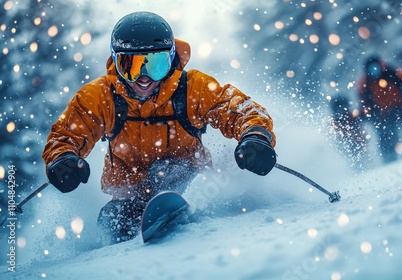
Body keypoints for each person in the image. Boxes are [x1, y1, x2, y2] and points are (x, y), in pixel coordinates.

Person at [42, 12, 277, 243]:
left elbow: (238, 109)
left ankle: (175, 210)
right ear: (115, 63)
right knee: (111, 219)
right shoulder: (101, 96)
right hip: (130, 193)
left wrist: (255, 136)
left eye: (155, 65)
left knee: (165, 171)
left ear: (171, 59)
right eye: (131, 66)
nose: (143, 78)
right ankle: (121, 247)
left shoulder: (192, 88)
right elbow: (68, 133)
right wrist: (63, 159)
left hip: (189, 181)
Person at [327, 95, 368, 171]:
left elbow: (363, 119)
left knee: (363, 160)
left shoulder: (353, 116)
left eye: (343, 106)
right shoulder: (334, 123)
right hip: (346, 148)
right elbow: (333, 139)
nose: (341, 110)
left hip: (359, 144)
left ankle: (365, 168)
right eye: (339, 108)